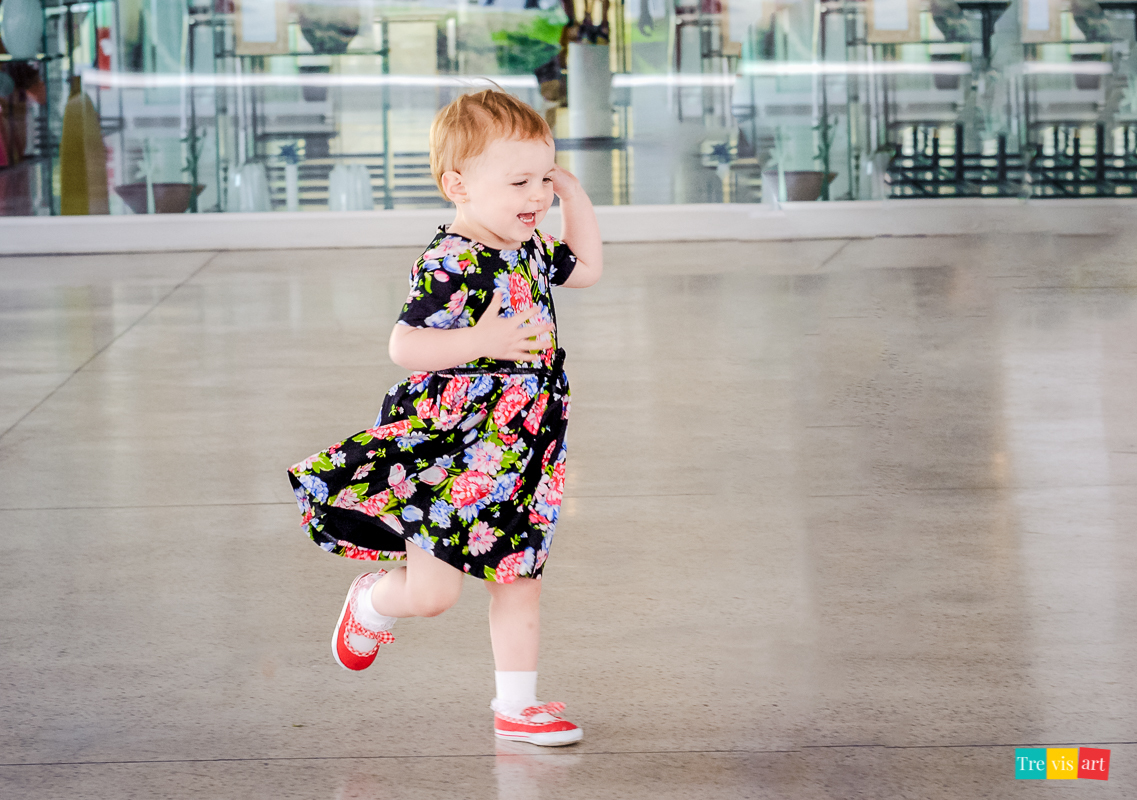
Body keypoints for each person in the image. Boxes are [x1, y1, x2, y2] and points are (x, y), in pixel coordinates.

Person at [288, 88, 602, 747]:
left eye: (543, 178)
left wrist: (575, 199)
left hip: (524, 436)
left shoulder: (526, 242)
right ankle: (375, 600)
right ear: (456, 184)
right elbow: (405, 346)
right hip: (456, 446)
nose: (536, 194)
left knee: (518, 570)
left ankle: (516, 705)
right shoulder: (451, 261)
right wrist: (477, 343)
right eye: (519, 181)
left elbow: (585, 271)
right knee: (434, 594)